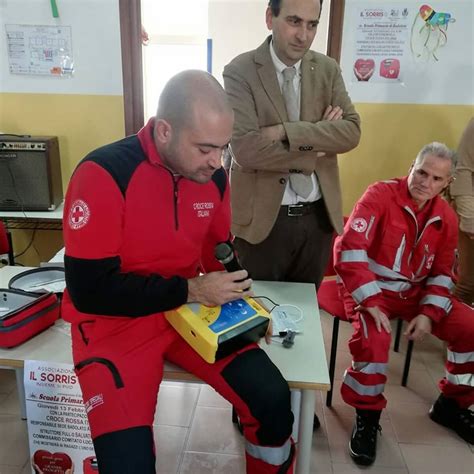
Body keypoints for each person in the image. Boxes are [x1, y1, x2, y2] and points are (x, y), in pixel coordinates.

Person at [61, 70, 295, 474]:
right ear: (164, 131)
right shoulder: (103, 174)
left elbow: (219, 251)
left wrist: (244, 302)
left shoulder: (214, 178)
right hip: (114, 326)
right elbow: (90, 291)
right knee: (127, 464)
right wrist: (192, 290)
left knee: (272, 399)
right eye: (205, 148)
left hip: (188, 314)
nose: (216, 162)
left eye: (223, 148)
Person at [334, 142, 474, 466]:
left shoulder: (447, 218)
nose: (425, 182)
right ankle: (367, 417)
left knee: (470, 327)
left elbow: (443, 272)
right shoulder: (379, 195)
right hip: (368, 289)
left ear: (447, 183)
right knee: (375, 340)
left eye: (436, 178)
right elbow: (350, 250)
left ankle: (451, 406)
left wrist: (428, 314)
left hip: (415, 296)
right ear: (412, 165)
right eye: (421, 171)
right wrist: (369, 301)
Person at [223, 0, 360, 289]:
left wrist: (285, 132)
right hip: (262, 222)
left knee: (305, 319)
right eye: (294, 21)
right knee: (257, 315)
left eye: (313, 25)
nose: (304, 35)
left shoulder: (327, 69)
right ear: (269, 18)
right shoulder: (240, 71)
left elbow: (350, 133)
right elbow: (246, 150)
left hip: (317, 219)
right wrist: (318, 142)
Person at [450, 118, 474, 305]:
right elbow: (462, 170)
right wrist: (469, 220)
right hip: (471, 211)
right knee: (468, 284)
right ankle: (451, 332)